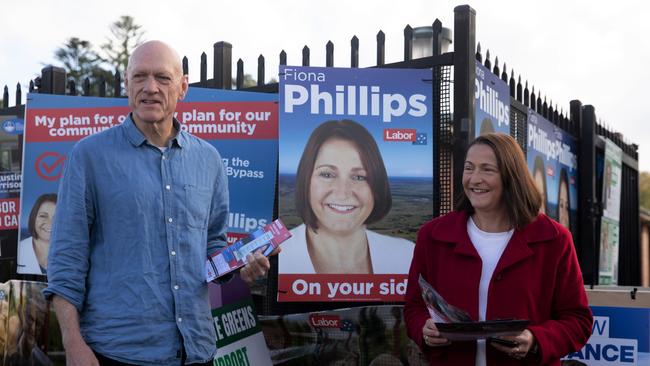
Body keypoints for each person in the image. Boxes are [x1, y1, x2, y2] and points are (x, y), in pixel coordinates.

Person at [43, 40, 274, 366]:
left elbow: (213, 249)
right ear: (126, 85)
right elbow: (67, 258)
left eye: (162, 78)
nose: (150, 88)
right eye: (139, 77)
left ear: (182, 88)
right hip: (117, 352)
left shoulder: (209, 160)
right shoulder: (89, 157)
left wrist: (241, 266)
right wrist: (73, 344)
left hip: (196, 349)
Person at [404, 133, 592, 365]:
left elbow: (578, 320)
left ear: (511, 177)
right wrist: (424, 329)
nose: (474, 179)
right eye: (469, 168)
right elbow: (414, 306)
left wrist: (535, 339)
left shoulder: (554, 240)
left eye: (487, 170)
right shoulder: (432, 236)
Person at [279, 119, 413, 274]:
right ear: (306, 180)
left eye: (359, 177)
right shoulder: (277, 258)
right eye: (327, 174)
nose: (342, 193)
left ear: (377, 185)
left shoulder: (406, 256)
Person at [17, 193, 57, 275]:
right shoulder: (17, 251)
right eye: (43, 216)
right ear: (33, 217)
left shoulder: (74, 254)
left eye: (56, 217)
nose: (50, 222)